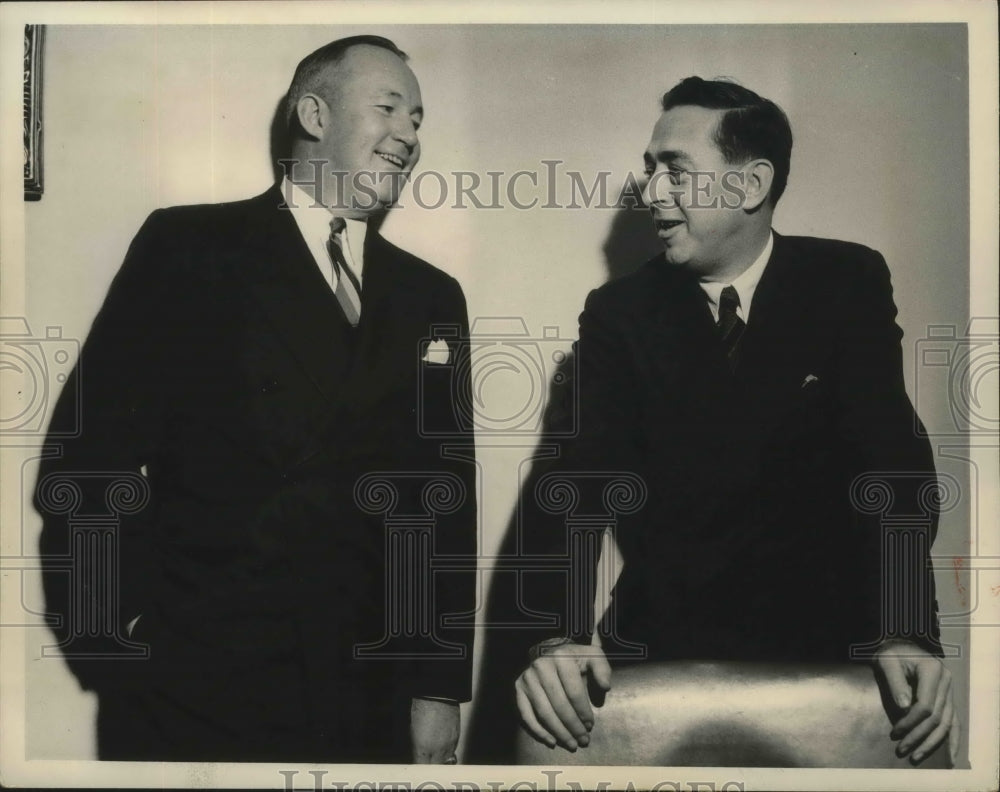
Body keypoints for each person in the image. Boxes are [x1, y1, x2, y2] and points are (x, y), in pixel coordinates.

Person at [36, 36, 476, 763]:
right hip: (200, 685)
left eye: (420, 119)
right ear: (313, 113)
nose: (409, 136)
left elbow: (446, 500)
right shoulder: (190, 247)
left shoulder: (431, 295)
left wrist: (438, 688)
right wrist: (117, 641)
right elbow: (87, 459)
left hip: (371, 690)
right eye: (390, 107)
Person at [513, 77, 957, 765]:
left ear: (751, 185)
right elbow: (573, 479)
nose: (653, 192)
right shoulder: (619, 312)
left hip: (835, 652)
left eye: (676, 171)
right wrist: (556, 635)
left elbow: (892, 462)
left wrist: (907, 630)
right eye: (651, 168)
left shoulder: (847, 280)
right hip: (664, 648)